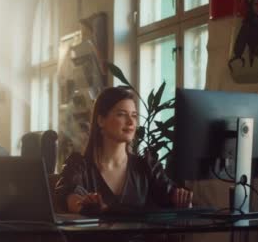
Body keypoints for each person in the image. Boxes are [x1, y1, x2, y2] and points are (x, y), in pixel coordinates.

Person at [54, 86, 192, 214]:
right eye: (121, 114)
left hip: (142, 241)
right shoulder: (78, 166)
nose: (131, 122)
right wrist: (83, 205)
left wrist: (182, 198)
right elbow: (68, 195)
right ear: (101, 120)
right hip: (95, 240)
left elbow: (173, 196)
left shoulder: (146, 167)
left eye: (133, 115)